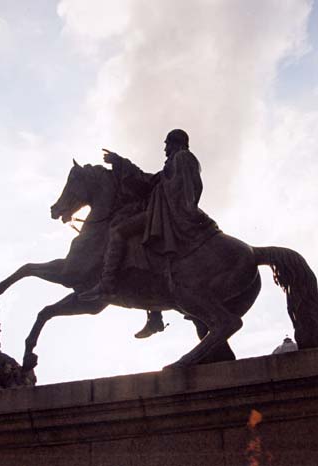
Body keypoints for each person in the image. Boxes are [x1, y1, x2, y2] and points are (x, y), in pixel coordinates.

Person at [79, 129, 219, 338]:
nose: (164, 148)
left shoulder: (181, 158)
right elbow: (152, 181)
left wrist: (123, 166)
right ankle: (154, 316)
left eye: (167, 144)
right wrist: (121, 163)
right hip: (164, 210)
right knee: (141, 249)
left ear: (176, 143)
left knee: (118, 232)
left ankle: (107, 284)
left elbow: (167, 187)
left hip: (167, 214)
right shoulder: (178, 161)